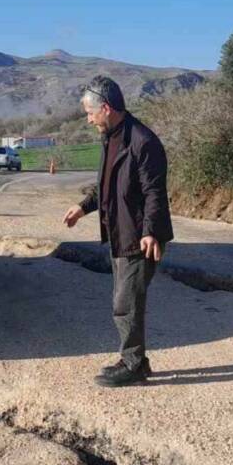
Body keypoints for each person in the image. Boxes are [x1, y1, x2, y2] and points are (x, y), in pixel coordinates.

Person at [62, 76, 174, 387]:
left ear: (106, 108)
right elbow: (106, 186)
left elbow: (154, 192)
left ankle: (133, 365)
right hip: (120, 232)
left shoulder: (142, 141)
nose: (88, 120)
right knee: (124, 300)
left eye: (90, 113)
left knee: (126, 303)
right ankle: (135, 360)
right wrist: (83, 207)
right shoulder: (111, 137)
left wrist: (150, 231)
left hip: (139, 237)